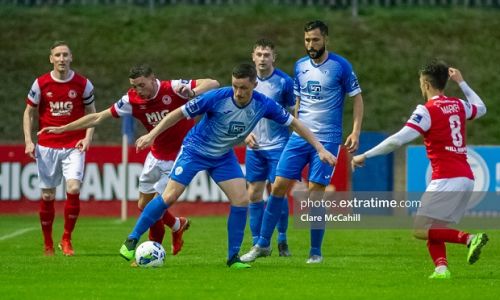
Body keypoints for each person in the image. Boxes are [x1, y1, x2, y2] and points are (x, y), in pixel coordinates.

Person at [118, 63, 337, 269]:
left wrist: (320, 148)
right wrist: (152, 134)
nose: (238, 92)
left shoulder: (264, 104)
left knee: (241, 200)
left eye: (243, 88)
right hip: (195, 150)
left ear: (254, 85)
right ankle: (131, 240)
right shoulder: (217, 97)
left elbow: (295, 123)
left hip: (222, 156)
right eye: (235, 86)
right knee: (169, 196)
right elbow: (178, 113)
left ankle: (233, 258)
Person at [39, 63, 220, 256]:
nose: (137, 90)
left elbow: (213, 83)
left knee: (154, 207)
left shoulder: (173, 88)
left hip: (181, 156)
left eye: (141, 85)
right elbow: (98, 117)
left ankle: (152, 254)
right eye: (134, 86)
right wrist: (64, 128)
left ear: (153, 79)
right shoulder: (131, 99)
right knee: (143, 205)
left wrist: (193, 92)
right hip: (156, 155)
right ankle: (177, 225)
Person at [241, 20, 364, 264]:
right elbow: (297, 103)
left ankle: (315, 252)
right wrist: (296, 126)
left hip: (327, 139)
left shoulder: (341, 66)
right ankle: (263, 245)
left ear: (325, 39)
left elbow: (357, 99)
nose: (310, 44)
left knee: (314, 194)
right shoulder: (299, 66)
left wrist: (355, 131)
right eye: (307, 40)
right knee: (277, 187)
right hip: (299, 137)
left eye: (315, 40)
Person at [351, 61, 488, 279]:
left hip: (446, 177)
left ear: (425, 83)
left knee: (419, 229)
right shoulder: (458, 104)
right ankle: (441, 269)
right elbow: (481, 108)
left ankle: (469, 239)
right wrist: (461, 82)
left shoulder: (427, 111)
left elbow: (397, 140)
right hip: (466, 177)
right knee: (435, 227)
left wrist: (365, 155)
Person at [23, 41, 96, 256]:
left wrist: (88, 137)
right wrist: (28, 140)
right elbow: (28, 112)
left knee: (73, 188)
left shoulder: (83, 84)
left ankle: (66, 239)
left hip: (73, 145)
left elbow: (92, 113)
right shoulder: (41, 84)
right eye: (57, 55)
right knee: (47, 196)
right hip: (46, 146)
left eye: (65, 55)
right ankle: (48, 244)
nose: (62, 59)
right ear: (51, 58)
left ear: (71, 57)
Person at [245, 38, 295, 256]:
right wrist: (245, 134)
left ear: (274, 57)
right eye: (259, 54)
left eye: (267, 55)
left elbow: (296, 113)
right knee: (254, 194)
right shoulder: (246, 82)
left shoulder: (284, 82)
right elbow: (239, 111)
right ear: (253, 57)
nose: (263, 58)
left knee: (278, 192)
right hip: (254, 147)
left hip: (279, 145)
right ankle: (258, 242)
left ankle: (282, 238)